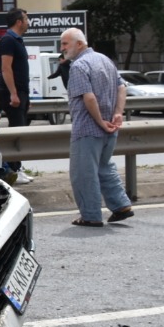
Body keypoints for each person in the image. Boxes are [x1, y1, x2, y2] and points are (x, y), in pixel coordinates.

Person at [60, 28, 132, 228]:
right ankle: (121, 206)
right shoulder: (105, 60)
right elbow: (122, 87)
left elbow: (88, 97)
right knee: (103, 166)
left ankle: (91, 215)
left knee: (82, 173)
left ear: (80, 44)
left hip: (88, 128)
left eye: (65, 44)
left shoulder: (79, 66)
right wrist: (118, 113)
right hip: (110, 128)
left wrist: (100, 121)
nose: (62, 48)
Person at [0, 8, 34, 185]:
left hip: (21, 92)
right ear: (19, 21)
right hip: (13, 92)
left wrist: (27, 96)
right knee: (16, 131)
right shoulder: (8, 40)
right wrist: (13, 93)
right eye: (26, 19)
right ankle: (13, 170)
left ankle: (17, 168)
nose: (28, 22)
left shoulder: (18, 40)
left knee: (21, 131)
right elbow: (6, 68)